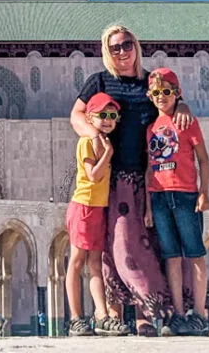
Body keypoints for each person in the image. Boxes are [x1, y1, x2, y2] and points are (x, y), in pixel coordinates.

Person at [71, 25, 193, 337]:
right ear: (106, 51)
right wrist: (95, 134)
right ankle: (113, 315)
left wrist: (183, 106)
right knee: (117, 246)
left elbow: (172, 101)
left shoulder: (150, 82)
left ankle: (144, 316)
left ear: (136, 46)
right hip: (112, 179)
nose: (122, 51)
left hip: (149, 176)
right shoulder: (99, 81)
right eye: (115, 47)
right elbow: (77, 115)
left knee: (147, 245)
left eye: (127, 44)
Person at [143, 68, 209, 337]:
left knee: (194, 253)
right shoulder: (150, 129)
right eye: (156, 92)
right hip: (159, 197)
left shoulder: (188, 122)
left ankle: (200, 315)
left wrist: (204, 191)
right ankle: (179, 315)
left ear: (176, 93)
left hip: (185, 196)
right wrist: (148, 205)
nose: (161, 97)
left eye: (166, 91)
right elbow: (150, 168)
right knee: (171, 256)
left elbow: (203, 158)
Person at [65, 91, 129, 337]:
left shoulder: (101, 141)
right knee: (77, 261)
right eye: (102, 115)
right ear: (89, 118)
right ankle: (75, 317)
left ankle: (101, 315)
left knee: (94, 263)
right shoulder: (88, 141)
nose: (108, 120)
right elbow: (93, 175)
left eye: (112, 116)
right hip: (83, 207)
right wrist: (108, 154)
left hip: (98, 208)